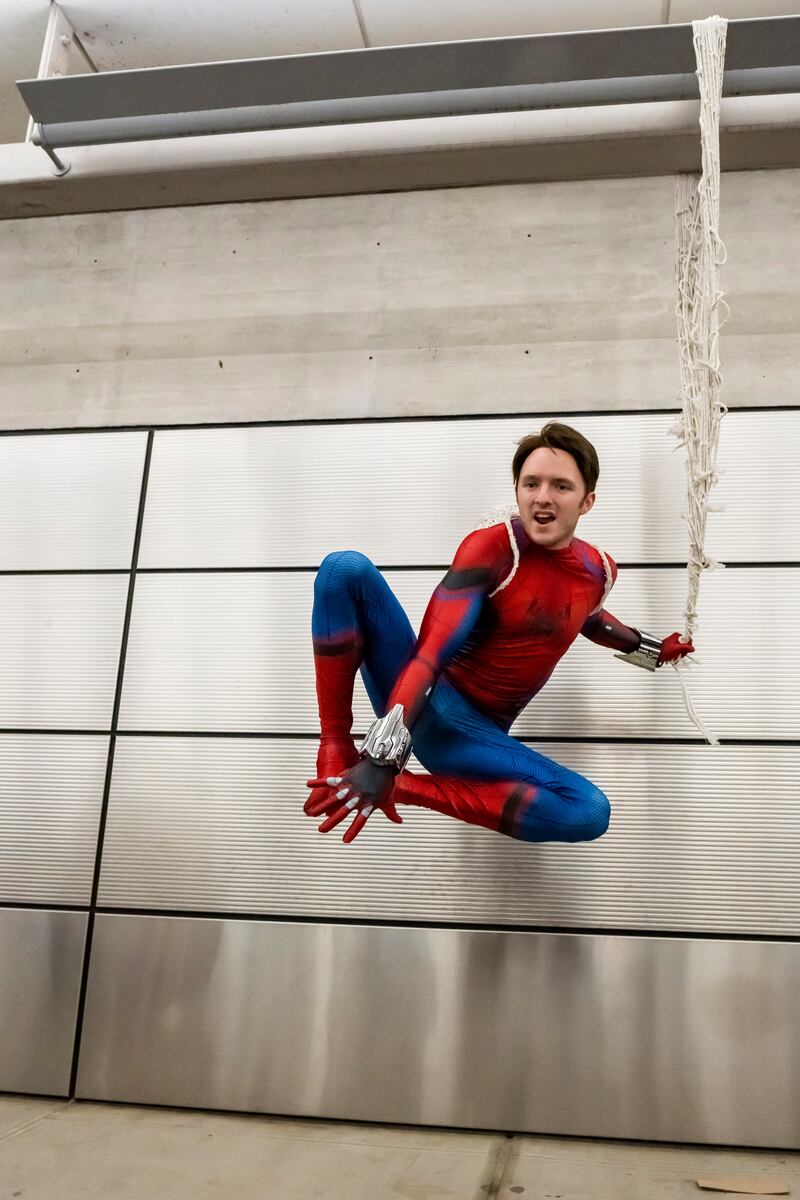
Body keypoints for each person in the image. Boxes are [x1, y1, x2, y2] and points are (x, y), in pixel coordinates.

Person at [305, 422, 694, 844]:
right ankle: (335, 746)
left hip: (469, 739)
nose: (542, 498)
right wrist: (380, 758)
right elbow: (430, 653)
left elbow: (591, 619)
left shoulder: (599, 570)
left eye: (560, 486)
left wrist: (655, 652)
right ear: (518, 490)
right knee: (345, 568)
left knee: (588, 810)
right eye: (531, 484)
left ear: (587, 501)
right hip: (421, 696)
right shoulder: (494, 549)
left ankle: (401, 790)